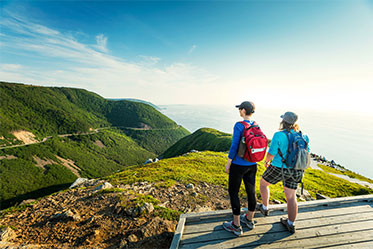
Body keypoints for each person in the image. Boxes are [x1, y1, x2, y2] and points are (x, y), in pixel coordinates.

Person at [258, 111, 309, 233]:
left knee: (263, 184)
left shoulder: (278, 135)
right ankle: (291, 223)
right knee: (291, 197)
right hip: (296, 169)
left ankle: (265, 207)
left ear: (283, 122)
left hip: (278, 167)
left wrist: (266, 162)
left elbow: (271, 153)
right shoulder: (304, 136)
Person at [222, 101, 258, 236]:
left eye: (240, 109)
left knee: (233, 192)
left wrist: (228, 163)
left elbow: (234, 146)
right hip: (252, 164)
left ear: (243, 111)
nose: (239, 111)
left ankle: (236, 225)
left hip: (239, 165)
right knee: (251, 191)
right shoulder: (256, 125)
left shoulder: (239, 125)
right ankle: (249, 219)